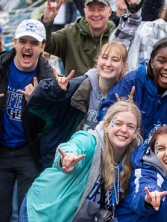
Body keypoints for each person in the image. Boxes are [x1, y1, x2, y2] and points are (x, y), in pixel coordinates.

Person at [19, 100, 143, 222]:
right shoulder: (90, 142)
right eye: (117, 123)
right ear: (106, 125)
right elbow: (74, 146)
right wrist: (67, 157)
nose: (124, 130)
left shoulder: (134, 160)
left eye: (130, 126)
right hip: (47, 217)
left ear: (136, 132)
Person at [27, 41, 129, 169]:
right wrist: (56, 90)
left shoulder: (126, 96)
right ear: (97, 61)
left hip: (102, 166)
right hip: (66, 159)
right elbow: (35, 106)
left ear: (124, 66)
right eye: (104, 58)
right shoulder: (78, 86)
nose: (108, 64)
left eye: (115, 60)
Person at [0, 19, 54, 222]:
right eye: (23, 41)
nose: (28, 47)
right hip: (1, 151)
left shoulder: (48, 78)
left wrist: (37, 102)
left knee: (27, 216)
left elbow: (53, 122)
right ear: (14, 43)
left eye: (34, 43)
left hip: (28, 153)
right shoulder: (1, 67)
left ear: (43, 47)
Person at [98, 37, 167, 140]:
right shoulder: (132, 82)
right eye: (161, 61)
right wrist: (122, 111)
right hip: (129, 149)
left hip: (165, 152)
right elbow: (104, 116)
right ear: (151, 62)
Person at [42, 0, 115, 77]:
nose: (96, 14)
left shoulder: (117, 35)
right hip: (74, 88)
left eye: (101, 9)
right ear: (85, 11)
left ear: (109, 12)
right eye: (91, 9)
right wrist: (47, 21)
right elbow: (46, 44)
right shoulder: (70, 32)